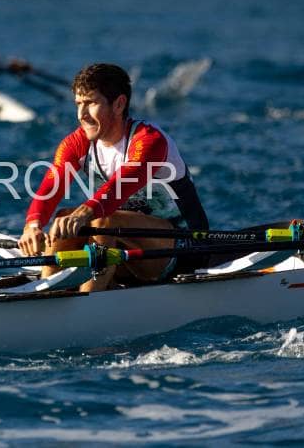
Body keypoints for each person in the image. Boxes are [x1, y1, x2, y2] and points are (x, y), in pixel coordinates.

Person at [17, 63, 209, 291]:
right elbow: (51, 186)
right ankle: (46, 292)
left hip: (186, 249)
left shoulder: (150, 140)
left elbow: (122, 185)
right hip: (129, 250)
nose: (82, 115)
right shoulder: (76, 143)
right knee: (63, 219)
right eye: (78, 104)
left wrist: (84, 213)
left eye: (91, 103)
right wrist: (33, 226)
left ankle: (89, 300)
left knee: (104, 221)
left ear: (119, 104)